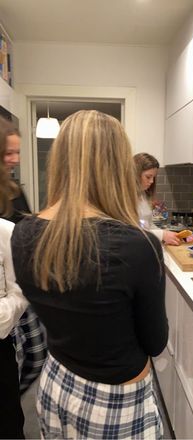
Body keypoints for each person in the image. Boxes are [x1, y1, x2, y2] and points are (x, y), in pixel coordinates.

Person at [12, 110, 168, 439]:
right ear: (117, 166)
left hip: (56, 381)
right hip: (116, 400)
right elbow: (155, 342)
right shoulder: (138, 246)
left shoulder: (24, 232)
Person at [0, 116, 47, 438]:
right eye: (8, 154)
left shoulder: (12, 187)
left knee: (35, 350)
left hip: (14, 287)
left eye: (17, 153)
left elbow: (23, 221)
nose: (16, 160)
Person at [134, 152, 180, 245]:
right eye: (148, 177)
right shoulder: (123, 198)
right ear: (135, 174)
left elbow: (149, 225)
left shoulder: (143, 195)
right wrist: (162, 235)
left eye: (153, 177)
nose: (151, 181)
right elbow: (131, 231)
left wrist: (168, 235)